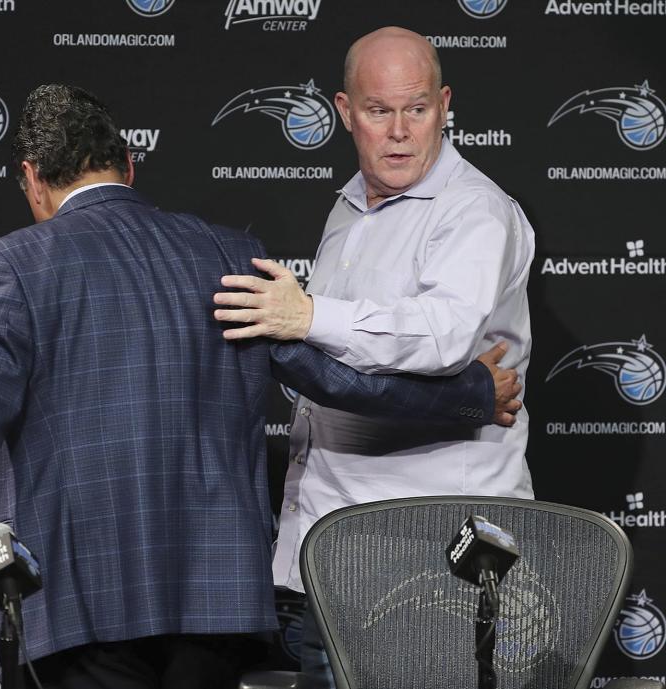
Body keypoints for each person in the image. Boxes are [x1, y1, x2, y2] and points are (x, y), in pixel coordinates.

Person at [0, 84, 519, 689]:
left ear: (30, 179)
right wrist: (472, 395)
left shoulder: (13, 267)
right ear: (130, 164)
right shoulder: (227, 255)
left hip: (81, 599)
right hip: (217, 602)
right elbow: (339, 381)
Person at [213, 26, 535, 687]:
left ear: (445, 106)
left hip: (426, 566)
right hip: (325, 559)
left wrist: (308, 315)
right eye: (378, 111)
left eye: (416, 109)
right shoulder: (350, 211)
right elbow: (344, 370)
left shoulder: (474, 211)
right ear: (343, 111)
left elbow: (441, 338)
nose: (399, 132)